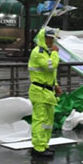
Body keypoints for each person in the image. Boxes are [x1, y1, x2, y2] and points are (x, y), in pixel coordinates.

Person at [28, 27, 62, 157]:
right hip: (39, 91)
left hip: (47, 91)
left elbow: (50, 74)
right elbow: (50, 67)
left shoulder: (46, 52)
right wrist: (55, 53)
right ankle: (38, 148)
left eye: (52, 39)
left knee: (48, 121)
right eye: (49, 38)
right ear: (43, 38)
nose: (51, 41)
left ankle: (44, 145)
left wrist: (56, 85)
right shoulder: (38, 52)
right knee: (40, 120)